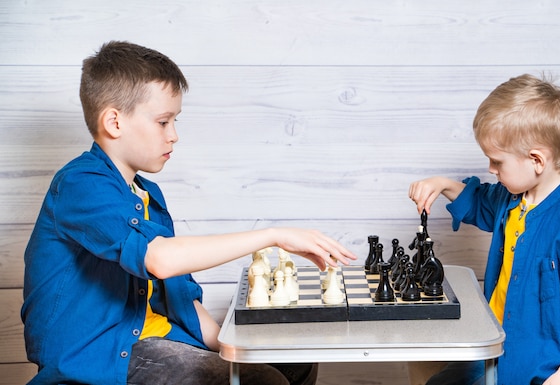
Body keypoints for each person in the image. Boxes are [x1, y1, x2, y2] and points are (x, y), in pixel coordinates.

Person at [21, 41, 357, 385]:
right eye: (163, 122)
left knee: (294, 364)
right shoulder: (81, 184)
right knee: (263, 382)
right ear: (114, 122)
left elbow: (177, 291)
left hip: (159, 341)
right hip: (101, 357)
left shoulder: (148, 194)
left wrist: (231, 346)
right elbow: (161, 260)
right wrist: (273, 236)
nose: (175, 136)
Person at [408, 74, 560, 384]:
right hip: (500, 345)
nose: (491, 170)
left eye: (497, 162)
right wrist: (441, 185)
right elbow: (478, 202)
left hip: (546, 359)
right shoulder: (513, 198)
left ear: (536, 160)